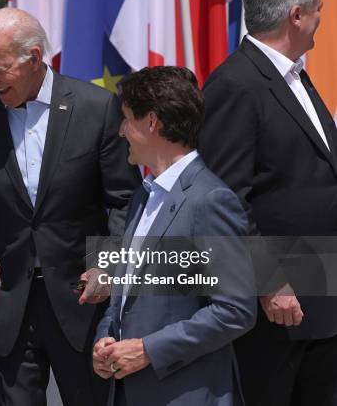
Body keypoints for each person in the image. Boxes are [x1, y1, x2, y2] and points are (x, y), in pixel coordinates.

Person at [0, 7, 141, 406]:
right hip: (8, 301)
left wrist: (107, 264)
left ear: (34, 58)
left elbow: (125, 199)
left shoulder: (96, 107)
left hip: (82, 300)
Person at [199, 0, 337, 404]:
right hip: (278, 310)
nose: (322, 16)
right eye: (318, 9)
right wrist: (270, 280)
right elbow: (223, 199)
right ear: (296, 16)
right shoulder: (236, 84)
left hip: (321, 295)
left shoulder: (294, 74)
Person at [93, 66, 257, 405]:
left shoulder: (211, 200)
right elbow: (124, 291)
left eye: (126, 119)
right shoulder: (143, 195)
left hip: (187, 394)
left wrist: (148, 350)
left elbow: (235, 309)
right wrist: (104, 339)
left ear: (152, 122)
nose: (122, 131)